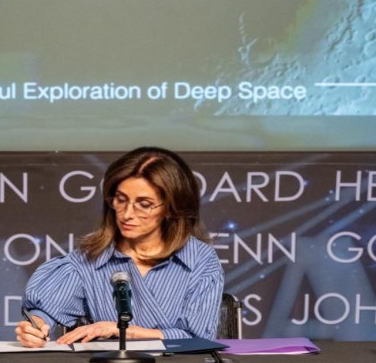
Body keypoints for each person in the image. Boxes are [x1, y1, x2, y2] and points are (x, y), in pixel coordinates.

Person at [15, 147, 224, 347]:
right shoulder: (89, 258)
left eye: (144, 204)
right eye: (121, 200)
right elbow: (48, 311)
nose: (127, 214)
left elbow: (197, 338)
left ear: (171, 208)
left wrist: (121, 330)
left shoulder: (200, 260)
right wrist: (36, 326)